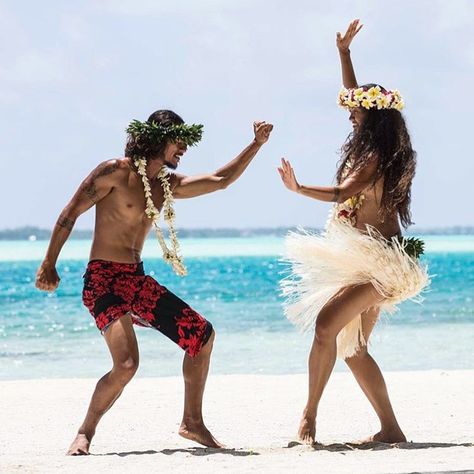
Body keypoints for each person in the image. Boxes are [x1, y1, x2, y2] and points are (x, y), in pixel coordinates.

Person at [35, 109, 273, 455]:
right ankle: (85, 432)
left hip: (137, 280)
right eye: (180, 141)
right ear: (158, 138)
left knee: (201, 336)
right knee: (127, 364)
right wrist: (48, 263)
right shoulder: (113, 172)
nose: (184, 149)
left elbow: (221, 179)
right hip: (103, 280)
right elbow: (69, 213)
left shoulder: (167, 185)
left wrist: (256, 144)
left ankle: (192, 423)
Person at [277, 20, 429, 445]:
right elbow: (354, 94)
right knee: (354, 347)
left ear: (372, 116)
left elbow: (344, 192)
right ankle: (392, 429)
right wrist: (344, 53)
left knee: (326, 328)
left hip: (382, 262)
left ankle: (307, 422)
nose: (349, 111)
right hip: (363, 256)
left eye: (356, 109)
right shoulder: (369, 140)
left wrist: (298, 187)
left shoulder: (379, 153)